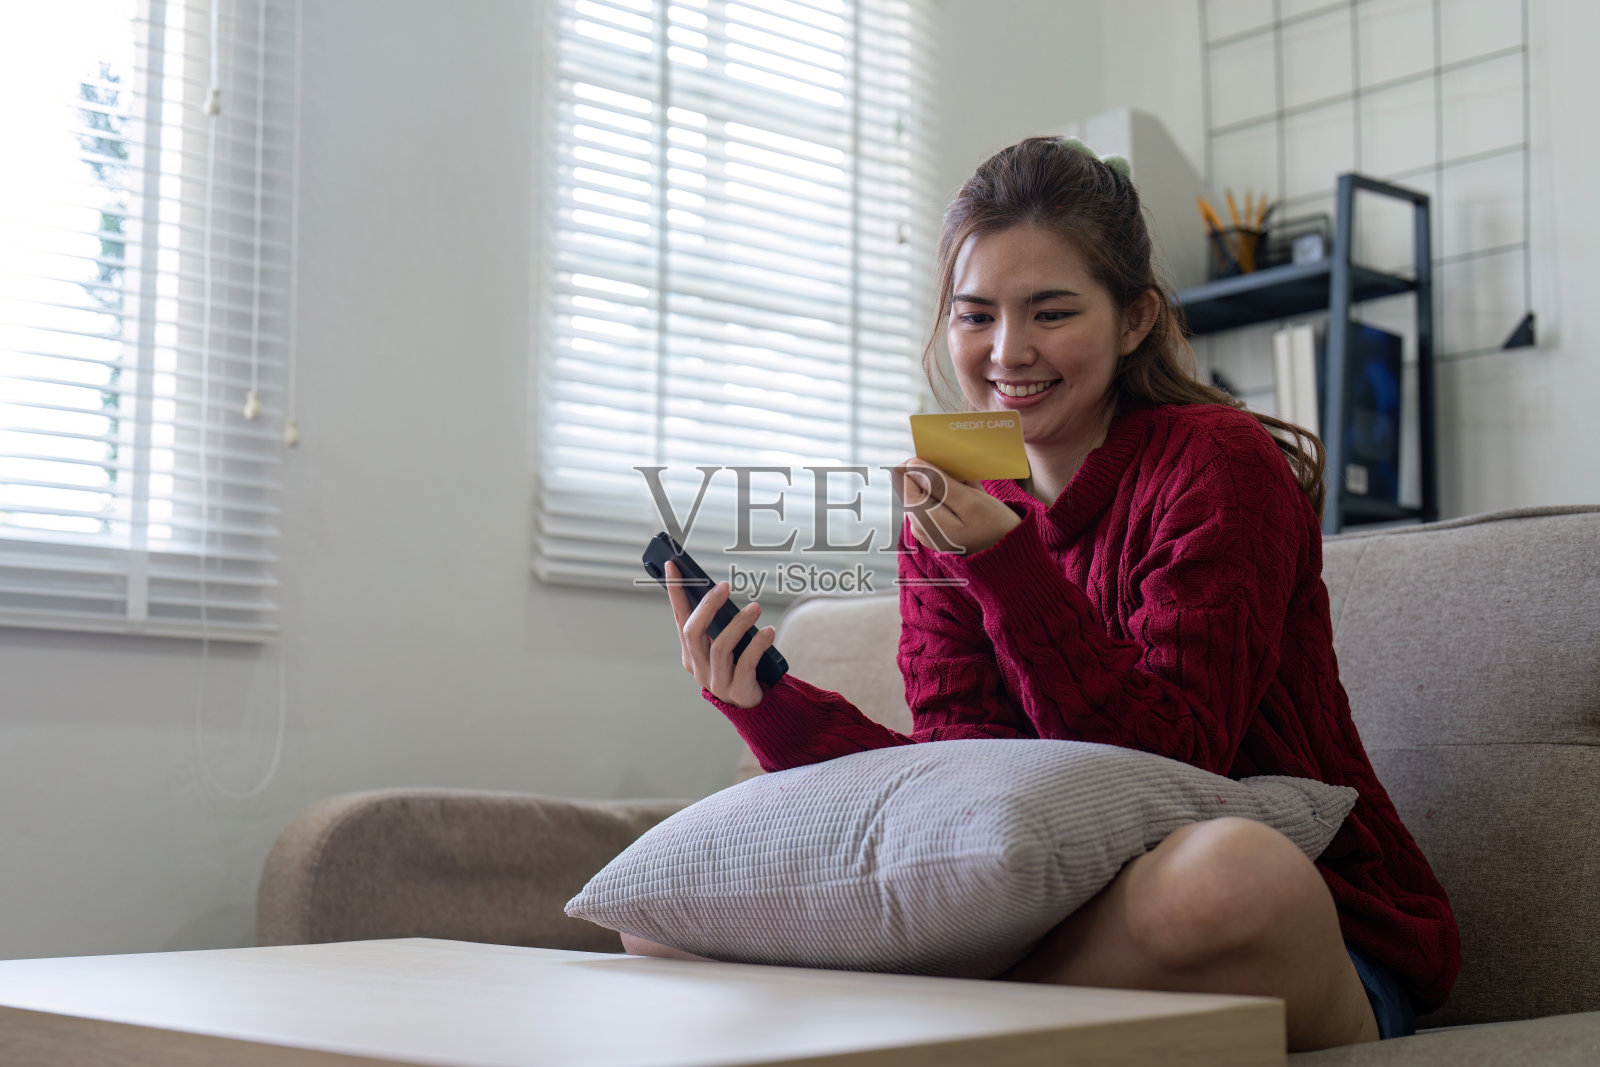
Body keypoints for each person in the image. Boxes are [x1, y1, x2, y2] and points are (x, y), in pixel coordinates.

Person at [637, 135, 1460, 1053]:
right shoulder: (955, 495)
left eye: (1051, 312)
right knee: (664, 918)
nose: (1006, 352)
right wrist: (771, 706)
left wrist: (1010, 565)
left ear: (1137, 317)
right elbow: (962, 787)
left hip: (1302, 930)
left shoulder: (1218, 463)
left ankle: (933, 1019)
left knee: (1231, 872)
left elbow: (1170, 764)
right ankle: (970, 1022)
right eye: (975, 315)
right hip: (1068, 926)